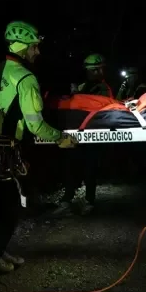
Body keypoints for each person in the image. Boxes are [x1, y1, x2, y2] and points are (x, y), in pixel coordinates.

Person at [0, 21, 78, 273]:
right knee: (10, 206)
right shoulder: (25, 78)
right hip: (3, 151)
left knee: (1, 205)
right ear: (22, 47)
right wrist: (60, 137)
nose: (37, 52)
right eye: (34, 47)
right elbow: (35, 125)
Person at [60, 53, 112, 214]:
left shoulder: (104, 89)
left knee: (90, 167)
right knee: (70, 165)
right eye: (94, 70)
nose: (98, 73)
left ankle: (89, 200)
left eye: (99, 69)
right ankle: (67, 198)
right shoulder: (81, 86)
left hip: (91, 134)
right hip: (74, 131)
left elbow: (104, 109)